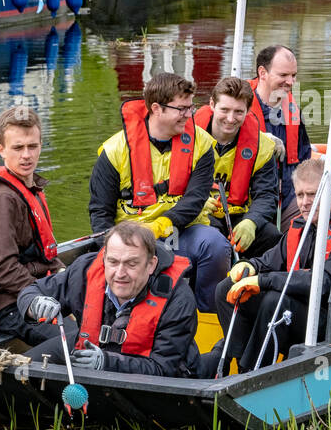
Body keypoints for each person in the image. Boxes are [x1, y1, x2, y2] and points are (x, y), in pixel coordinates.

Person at [210, 157, 331, 376]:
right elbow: (268, 262)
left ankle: (254, 375)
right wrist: (249, 266)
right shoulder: (302, 228)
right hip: (306, 310)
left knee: (276, 303)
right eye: (300, 195)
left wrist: (262, 280)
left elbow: (326, 283)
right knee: (228, 287)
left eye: (312, 194)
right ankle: (232, 363)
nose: (304, 202)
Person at [87, 72, 228, 313]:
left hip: (181, 232)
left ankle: (206, 315)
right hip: (131, 237)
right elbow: (100, 213)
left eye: (190, 107)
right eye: (181, 109)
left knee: (215, 245)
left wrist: (161, 225)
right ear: (156, 108)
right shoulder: (114, 151)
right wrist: (116, 248)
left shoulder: (202, 144)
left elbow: (195, 199)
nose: (189, 114)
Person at [17, 222, 200, 377]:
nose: (120, 273)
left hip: (157, 368)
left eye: (131, 264)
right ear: (103, 258)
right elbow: (32, 291)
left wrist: (106, 362)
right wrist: (35, 304)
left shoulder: (178, 299)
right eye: (113, 262)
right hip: (90, 347)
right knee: (22, 370)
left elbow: (163, 369)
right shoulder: (84, 270)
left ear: (151, 264)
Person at [0, 105, 64, 345]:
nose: (26, 155)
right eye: (18, 148)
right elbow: (1, 269)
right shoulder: (2, 200)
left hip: (38, 287)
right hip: (9, 305)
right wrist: (41, 295)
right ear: (1, 150)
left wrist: (65, 279)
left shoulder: (30, 188)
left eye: (32, 146)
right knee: (73, 339)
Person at [193, 76, 282, 259]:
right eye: (224, 110)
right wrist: (195, 203)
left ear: (248, 110)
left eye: (238, 112)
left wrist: (252, 221)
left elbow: (266, 195)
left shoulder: (262, 147)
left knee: (273, 237)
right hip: (198, 213)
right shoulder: (186, 139)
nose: (231, 119)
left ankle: (259, 283)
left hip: (240, 216)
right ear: (212, 105)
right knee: (211, 238)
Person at [246, 45, 311, 217]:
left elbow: (304, 156)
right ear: (262, 73)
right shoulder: (236, 109)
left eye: (293, 75)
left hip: (288, 199)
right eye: (283, 75)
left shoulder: (293, 112)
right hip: (249, 200)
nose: (290, 82)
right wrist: (260, 139)